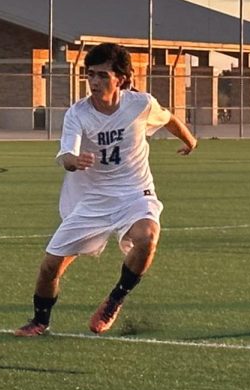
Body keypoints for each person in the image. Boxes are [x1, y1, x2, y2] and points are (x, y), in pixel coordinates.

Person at [14, 42, 197, 338]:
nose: (95, 82)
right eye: (90, 75)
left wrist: (191, 141)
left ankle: (115, 299)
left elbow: (170, 119)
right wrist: (74, 160)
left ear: (121, 79)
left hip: (135, 193)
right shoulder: (78, 114)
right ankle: (40, 321)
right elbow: (65, 155)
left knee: (147, 238)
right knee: (50, 268)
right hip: (91, 201)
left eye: (102, 75)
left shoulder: (140, 104)